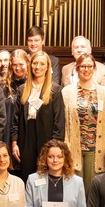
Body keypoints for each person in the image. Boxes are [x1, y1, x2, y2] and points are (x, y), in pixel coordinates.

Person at [62, 53, 105, 188]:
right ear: (77, 68)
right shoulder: (66, 92)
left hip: (97, 149)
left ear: (94, 68)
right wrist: (64, 147)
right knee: (75, 190)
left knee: (93, 190)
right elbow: (62, 123)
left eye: (89, 66)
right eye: (83, 66)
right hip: (74, 148)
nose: (86, 70)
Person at [11, 50, 64, 180]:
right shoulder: (22, 89)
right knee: (28, 177)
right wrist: (14, 143)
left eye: (42, 64)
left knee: (45, 177)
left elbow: (59, 122)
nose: (38, 67)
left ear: (47, 67)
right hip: (26, 139)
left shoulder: (55, 90)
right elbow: (15, 120)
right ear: (30, 65)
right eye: (35, 63)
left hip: (47, 139)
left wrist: (55, 147)